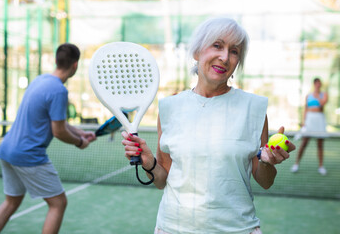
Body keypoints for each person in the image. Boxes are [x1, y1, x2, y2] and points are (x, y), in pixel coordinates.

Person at [121, 17, 296, 234]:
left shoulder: (254, 108)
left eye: (234, 51)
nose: (224, 57)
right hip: (173, 228)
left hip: (238, 229)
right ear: (197, 52)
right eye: (217, 45)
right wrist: (149, 163)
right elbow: (161, 179)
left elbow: (265, 181)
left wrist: (268, 163)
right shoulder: (170, 107)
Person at [0, 43, 96, 234]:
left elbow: (58, 122)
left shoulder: (41, 80)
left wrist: (79, 132)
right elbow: (59, 131)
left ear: (55, 60)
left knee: (11, 202)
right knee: (58, 203)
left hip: (6, 150)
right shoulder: (59, 91)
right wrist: (80, 143)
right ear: (75, 66)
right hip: (28, 155)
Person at [291, 77, 328, 175]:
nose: (318, 85)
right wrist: (304, 121)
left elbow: (322, 103)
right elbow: (306, 109)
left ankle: (321, 166)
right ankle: (296, 164)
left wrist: (317, 95)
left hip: (319, 119)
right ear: (314, 84)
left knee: (320, 144)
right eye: (316, 83)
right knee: (304, 143)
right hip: (310, 120)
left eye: (319, 83)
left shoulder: (324, 94)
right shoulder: (308, 95)